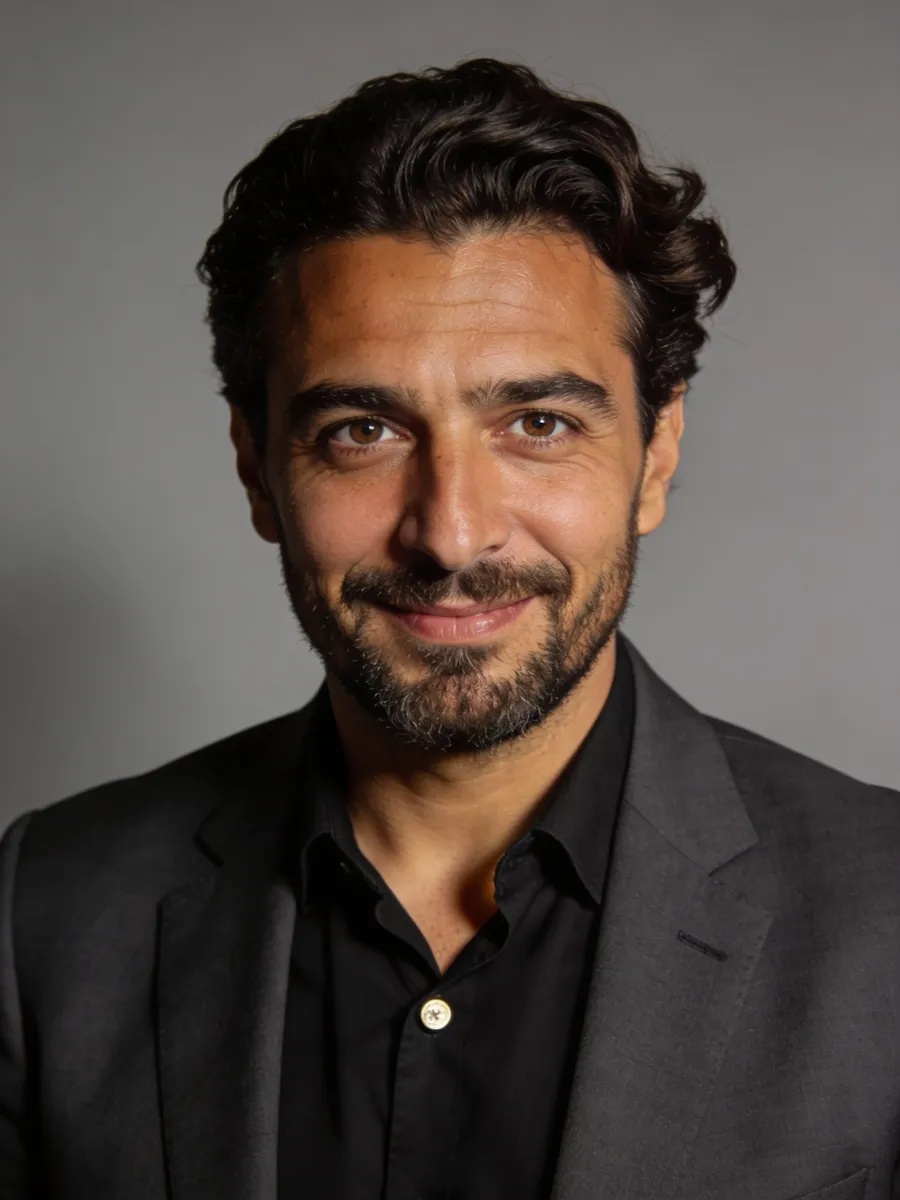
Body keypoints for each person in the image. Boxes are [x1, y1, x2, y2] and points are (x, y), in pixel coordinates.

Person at [1, 56, 897, 1200]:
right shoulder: (47, 916)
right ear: (256, 466)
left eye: (537, 421)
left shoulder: (885, 923)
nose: (452, 533)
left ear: (656, 454)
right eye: (362, 432)